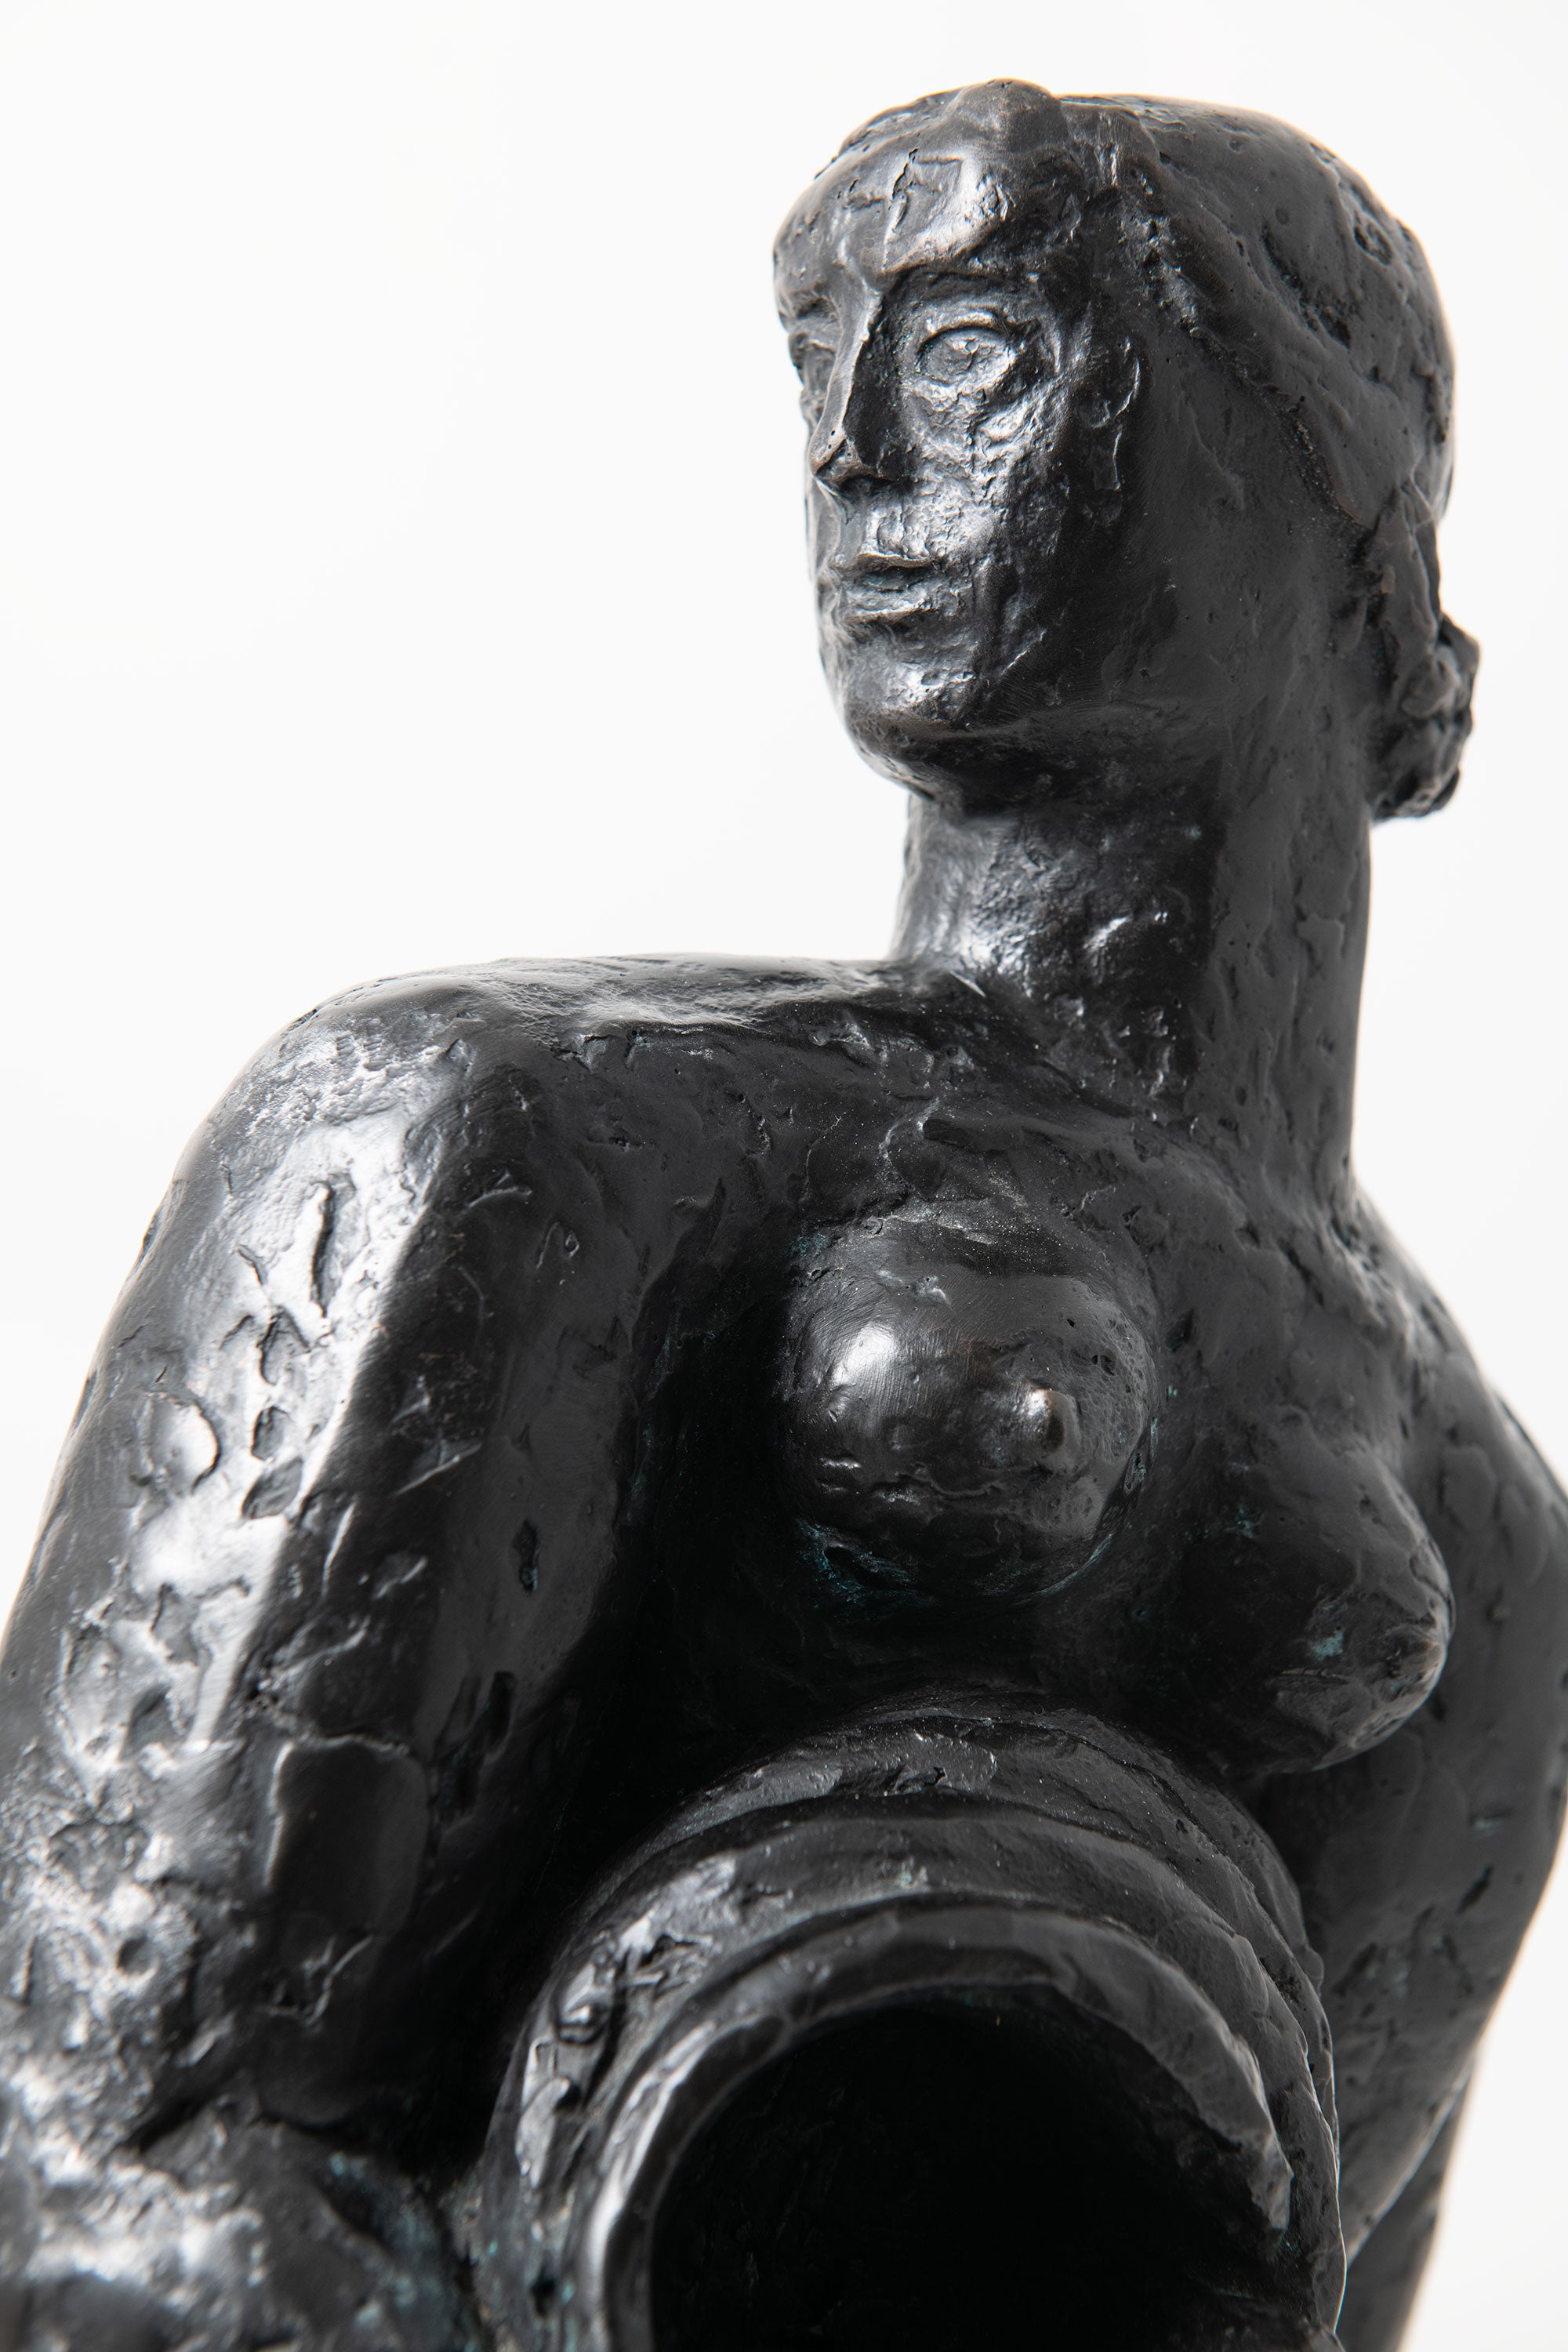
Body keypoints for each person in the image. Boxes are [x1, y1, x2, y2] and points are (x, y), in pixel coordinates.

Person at [0, 79, 1559, 2352]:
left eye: (972, 354)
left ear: (1325, 482)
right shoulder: (490, 1126)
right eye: (818, 363)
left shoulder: (1488, 1549)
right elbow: (93, 2145)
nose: (849, 456)